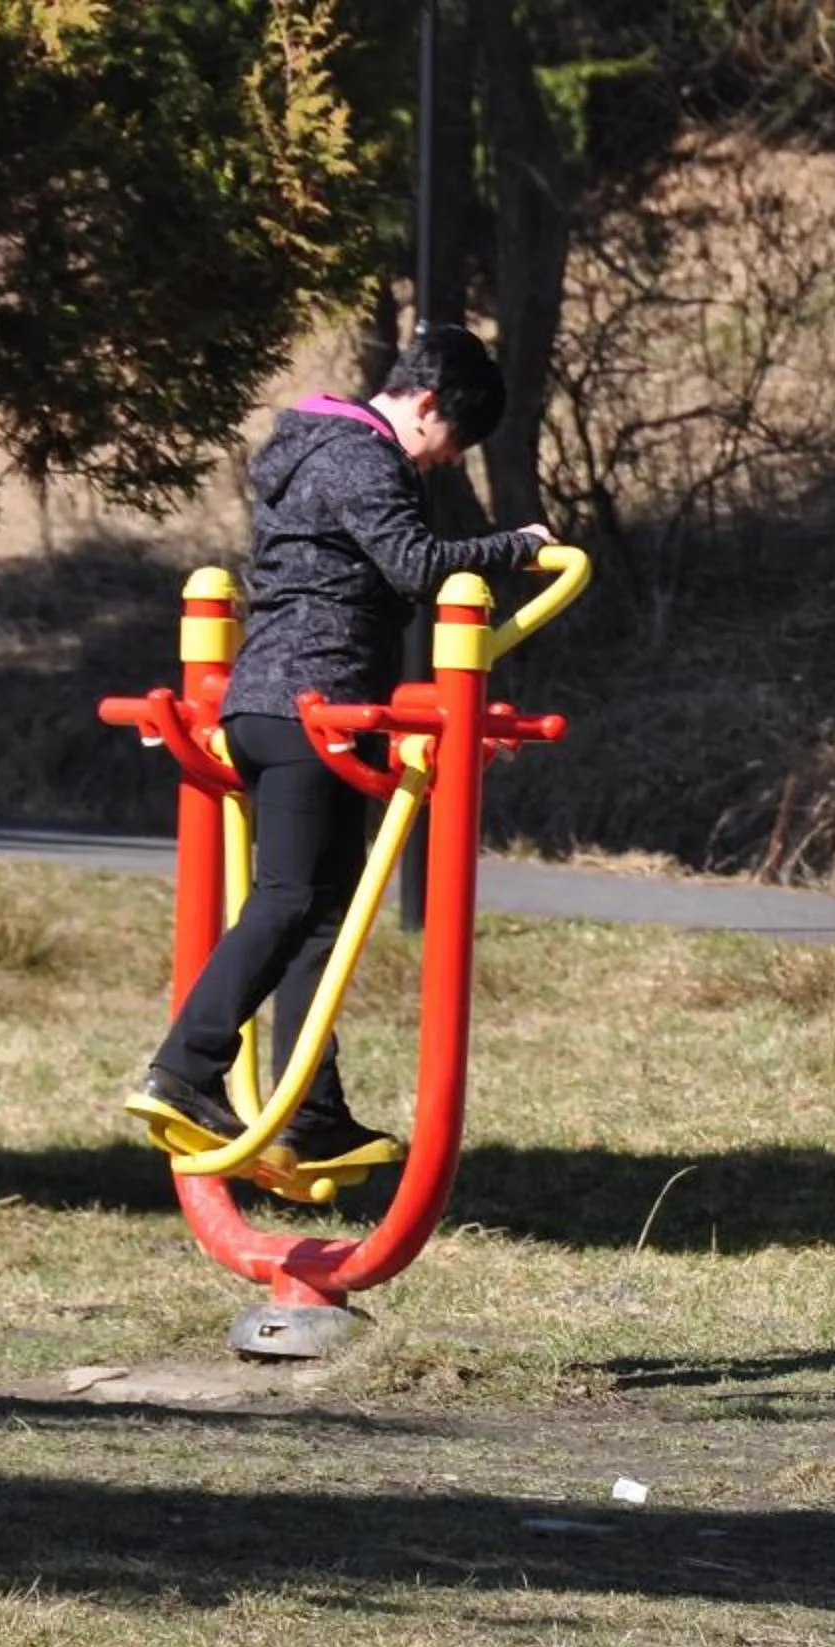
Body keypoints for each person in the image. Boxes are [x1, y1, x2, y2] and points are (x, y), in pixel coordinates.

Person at [125, 327, 555, 1171]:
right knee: (289, 901)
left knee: (317, 913)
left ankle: (312, 1110)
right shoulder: (360, 455)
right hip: (307, 706)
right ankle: (185, 1066)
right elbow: (413, 563)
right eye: (451, 442)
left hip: (274, 704)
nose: (443, 460)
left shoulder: (307, 449)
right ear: (426, 403)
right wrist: (517, 547)